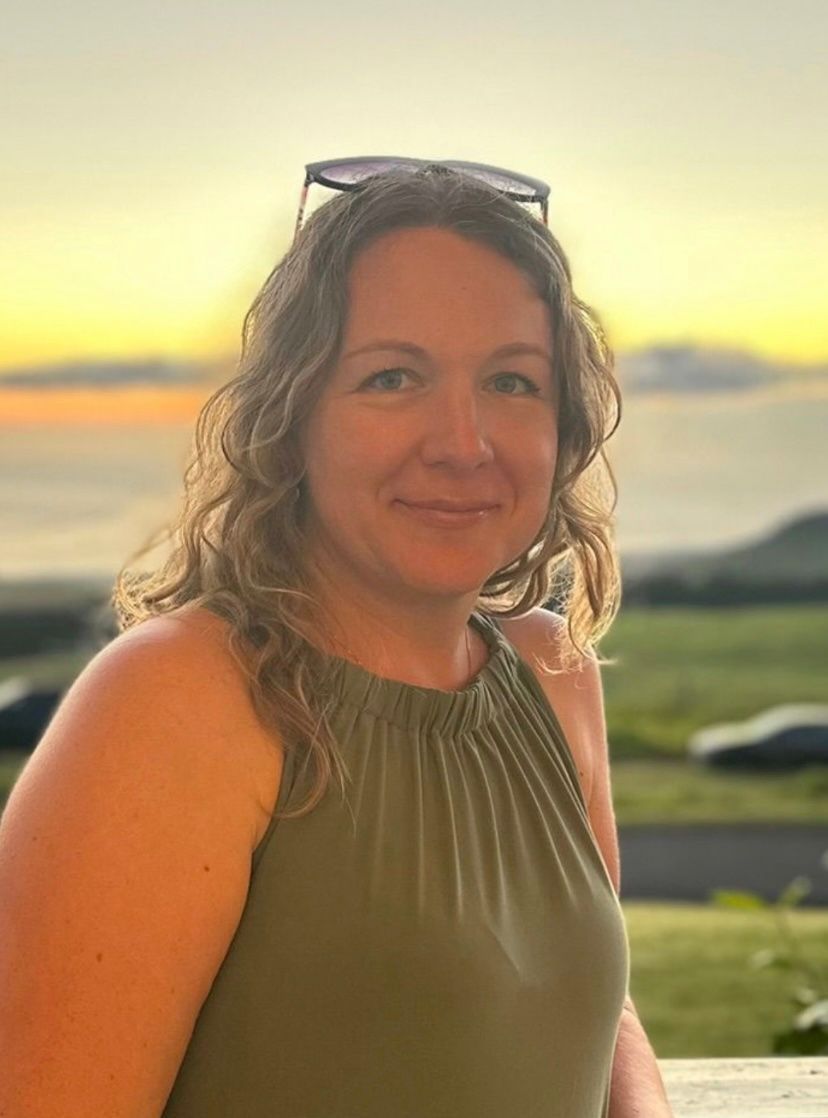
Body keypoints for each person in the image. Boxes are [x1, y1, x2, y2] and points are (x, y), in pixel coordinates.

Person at [0, 158, 674, 1116]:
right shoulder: (177, 700)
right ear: (292, 417)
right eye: (392, 377)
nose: (463, 440)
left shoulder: (551, 672)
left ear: (565, 427)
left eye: (513, 381)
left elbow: (590, 996)